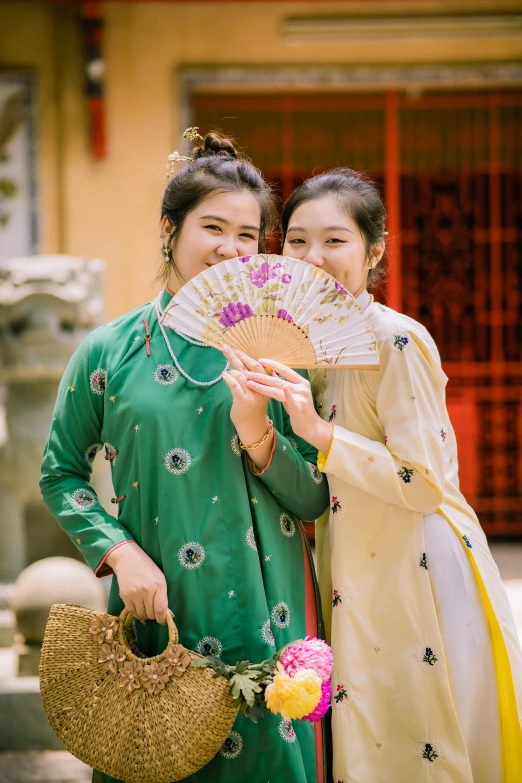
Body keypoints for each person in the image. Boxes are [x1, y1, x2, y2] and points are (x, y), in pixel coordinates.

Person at [39, 131, 330, 783]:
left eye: (249, 234)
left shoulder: (279, 348)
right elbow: (61, 472)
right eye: (214, 226)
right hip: (158, 613)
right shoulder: (110, 351)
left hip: (267, 618)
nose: (231, 248)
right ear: (169, 230)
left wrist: (258, 433)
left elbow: (314, 495)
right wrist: (120, 554)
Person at [245, 169, 522, 783]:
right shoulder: (311, 345)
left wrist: (320, 433)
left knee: (417, 735)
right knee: (368, 736)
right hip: (352, 566)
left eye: (334, 240)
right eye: (296, 240)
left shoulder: (395, 339)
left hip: (415, 565)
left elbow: (426, 482)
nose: (313, 257)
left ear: (374, 251)